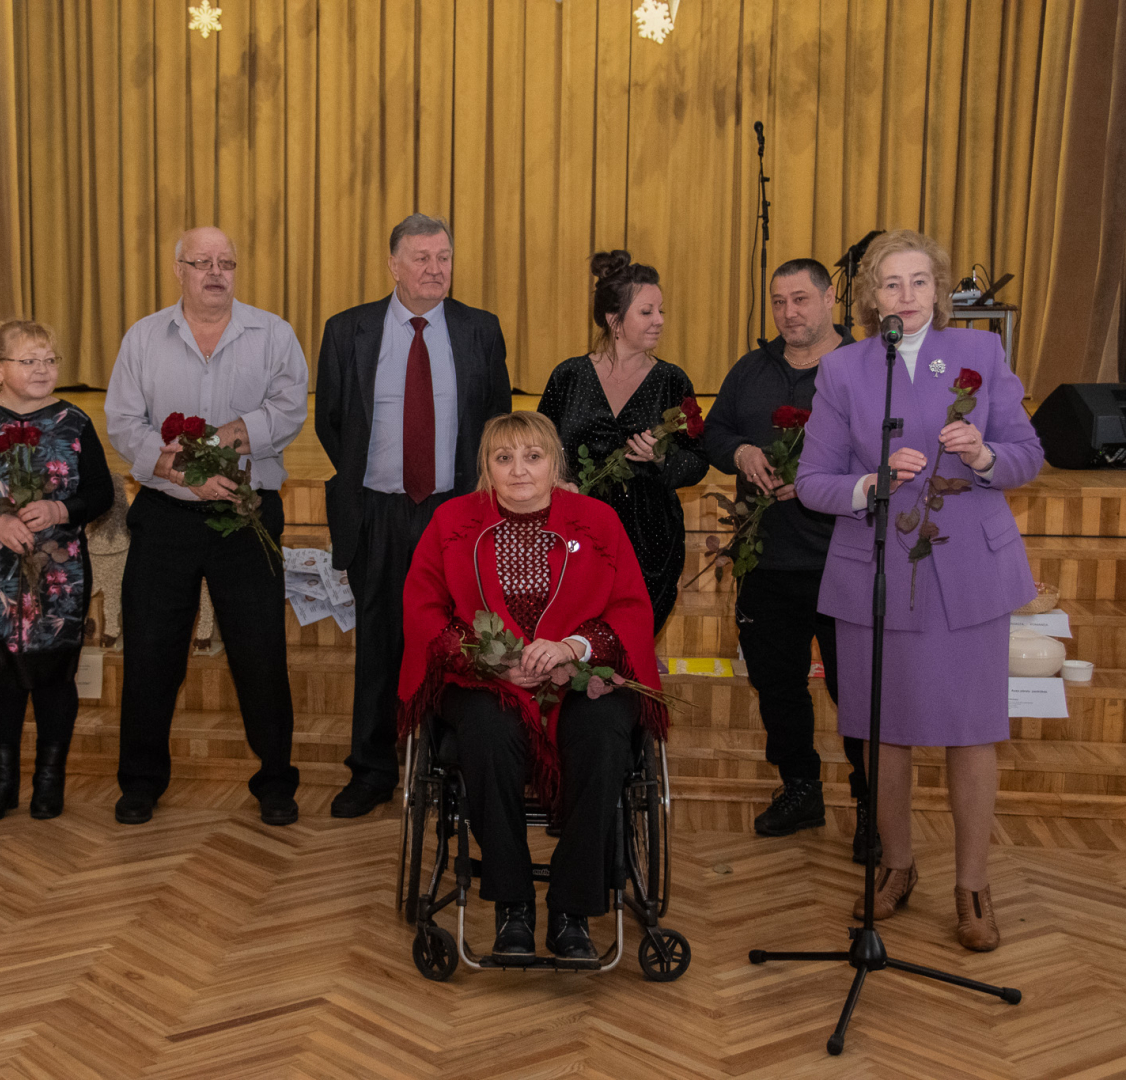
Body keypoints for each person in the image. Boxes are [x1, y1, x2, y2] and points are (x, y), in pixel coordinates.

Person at [795, 229, 1042, 952]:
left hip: (968, 574)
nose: (906, 296)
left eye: (920, 282)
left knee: (972, 732)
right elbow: (813, 483)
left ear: (939, 290)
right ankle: (897, 866)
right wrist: (870, 482)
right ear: (871, 298)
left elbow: (1028, 455)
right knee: (882, 730)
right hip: (875, 570)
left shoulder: (980, 355)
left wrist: (986, 454)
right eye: (891, 284)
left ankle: (973, 886)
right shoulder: (843, 369)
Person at [399, 411, 668, 962]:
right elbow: (424, 608)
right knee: (486, 732)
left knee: (602, 734)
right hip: (483, 682)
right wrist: (489, 662)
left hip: (580, 677)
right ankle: (513, 907)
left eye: (533, 456)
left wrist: (574, 646)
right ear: (486, 466)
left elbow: (630, 607)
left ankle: (573, 910)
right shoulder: (452, 521)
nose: (519, 470)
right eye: (504, 458)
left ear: (555, 463)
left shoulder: (596, 520)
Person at [104, 226, 308, 827]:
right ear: (179, 270)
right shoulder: (144, 337)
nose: (216, 272)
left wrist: (215, 446)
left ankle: (276, 781)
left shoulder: (273, 334)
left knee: (260, 654)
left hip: (246, 514)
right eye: (202, 262)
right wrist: (183, 472)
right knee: (150, 654)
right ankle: (140, 782)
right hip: (166, 515)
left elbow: (288, 409)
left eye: (226, 262)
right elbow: (123, 422)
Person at [316, 213, 513, 819]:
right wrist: (378, 481)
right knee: (379, 645)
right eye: (422, 258)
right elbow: (332, 423)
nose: (435, 269)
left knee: (461, 645)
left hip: (456, 515)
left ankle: (452, 770)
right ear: (393, 265)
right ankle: (372, 770)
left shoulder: (480, 329)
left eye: (444, 257)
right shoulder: (347, 330)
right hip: (377, 512)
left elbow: (497, 418)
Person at [702, 259, 871, 858]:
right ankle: (800, 789)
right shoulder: (752, 369)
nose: (788, 312)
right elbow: (713, 432)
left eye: (800, 299)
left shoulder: (864, 367)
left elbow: (888, 454)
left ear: (830, 299)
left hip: (843, 560)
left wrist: (823, 483)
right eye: (778, 301)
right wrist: (741, 451)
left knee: (857, 692)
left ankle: (872, 806)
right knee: (778, 686)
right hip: (767, 562)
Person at [0, 320, 114, 822]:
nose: (42, 369)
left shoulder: (75, 421)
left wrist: (61, 510)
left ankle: (49, 782)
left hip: (59, 575)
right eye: (28, 360)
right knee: (0, 680)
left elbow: (101, 492)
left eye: (49, 360)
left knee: (55, 678)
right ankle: (2, 783)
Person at [539, 252, 708, 633]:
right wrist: (556, 482)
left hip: (649, 539)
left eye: (660, 311)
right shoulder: (568, 376)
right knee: (572, 640)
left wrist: (661, 460)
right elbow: (536, 450)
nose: (659, 320)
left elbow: (698, 461)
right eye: (647, 312)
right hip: (575, 534)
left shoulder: (672, 381)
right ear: (614, 320)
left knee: (632, 640)